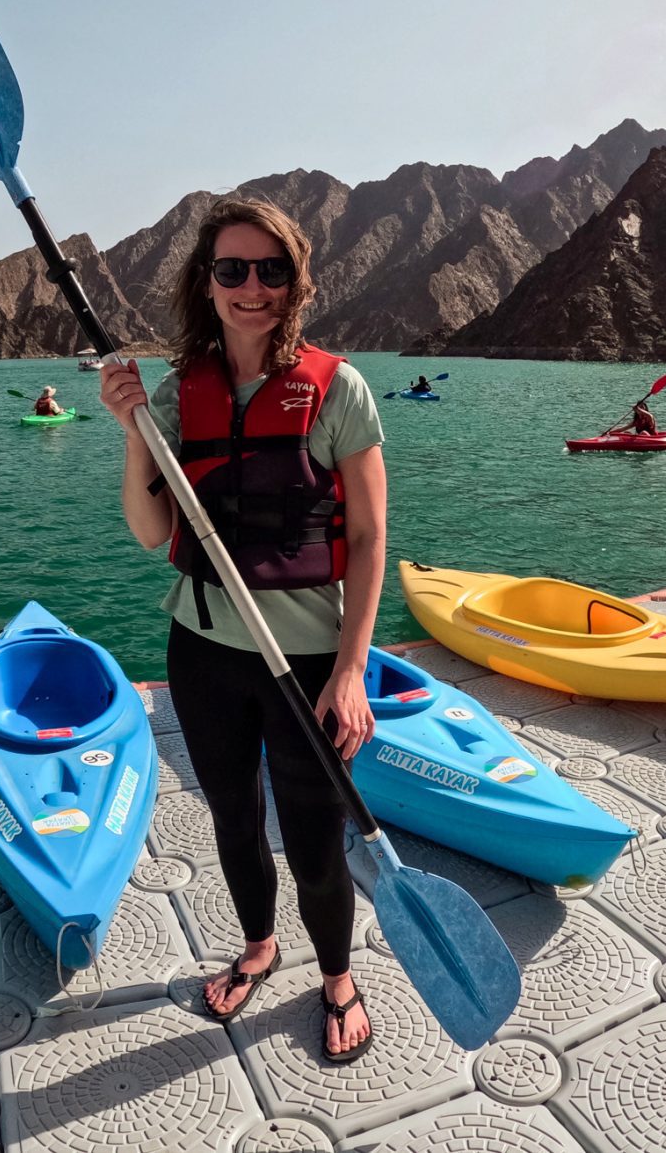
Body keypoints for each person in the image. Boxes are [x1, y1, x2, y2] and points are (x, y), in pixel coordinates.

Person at [99, 198, 384, 1064]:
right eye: (232, 270)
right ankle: (259, 946)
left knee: (311, 833)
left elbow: (368, 538)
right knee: (231, 814)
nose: (251, 288)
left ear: (296, 283)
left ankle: (337, 975)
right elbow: (153, 534)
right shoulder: (184, 390)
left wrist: (350, 671)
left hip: (302, 657)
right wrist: (131, 431)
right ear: (207, 282)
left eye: (271, 270)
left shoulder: (339, 390)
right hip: (202, 647)